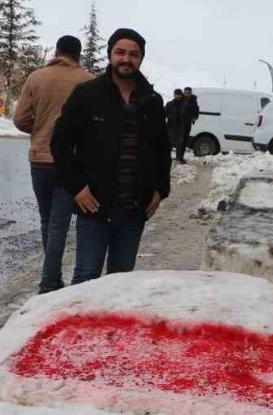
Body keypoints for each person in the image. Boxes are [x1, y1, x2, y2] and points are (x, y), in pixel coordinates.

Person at [51, 28, 171, 285]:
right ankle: (81, 326)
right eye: (120, 52)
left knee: (120, 283)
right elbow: (60, 143)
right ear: (110, 55)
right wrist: (77, 188)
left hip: (134, 209)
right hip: (94, 205)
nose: (126, 59)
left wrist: (160, 189)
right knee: (86, 278)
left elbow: (162, 148)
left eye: (134, 54)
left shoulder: (152, 100)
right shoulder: (87, 95)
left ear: (141, 59)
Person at [13, 35, 94, 294]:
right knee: (59, 223)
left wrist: (38, 130)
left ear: (57, 52)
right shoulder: (88, 81)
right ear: (78, 55)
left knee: (47, 220)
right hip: (69, 161)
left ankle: (52, 277)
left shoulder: (37, 77)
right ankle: (49, 281)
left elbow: (20, 119)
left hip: (40, 159)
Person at [165, 88, 189, 164]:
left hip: (181, 127)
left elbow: (187, 115)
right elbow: (164, 114)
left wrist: (185, 123)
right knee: (169, 143)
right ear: (174, 95)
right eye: (176, 95)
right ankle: (166, 157)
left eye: (179, 95)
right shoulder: (169, 104)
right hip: (171, 126)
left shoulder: (185, 104)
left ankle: (179, 158)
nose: (178, 96)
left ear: (181, 95)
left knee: (180, 144)